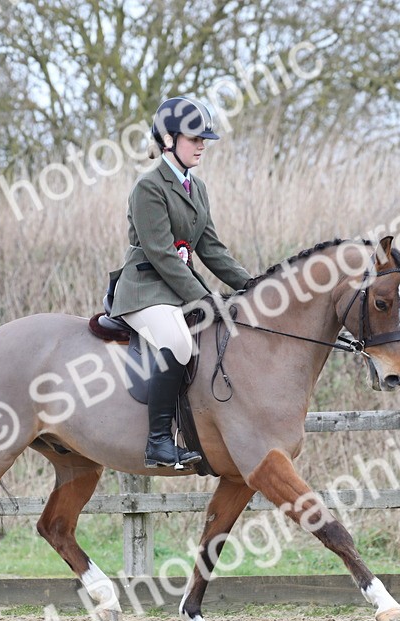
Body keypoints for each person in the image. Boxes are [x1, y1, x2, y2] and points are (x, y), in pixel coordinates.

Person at [107, 96, 253, 469]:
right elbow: (161, 254)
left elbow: (212, 249)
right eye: (195, 138)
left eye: (204, 139)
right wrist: (204, 298)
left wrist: (254, 285)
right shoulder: (149, 186)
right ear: (169, 140)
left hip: (175, 290)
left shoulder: (196, 187)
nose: (202, 145)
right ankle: (158, 442)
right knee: (178, 342)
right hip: (144, 289)